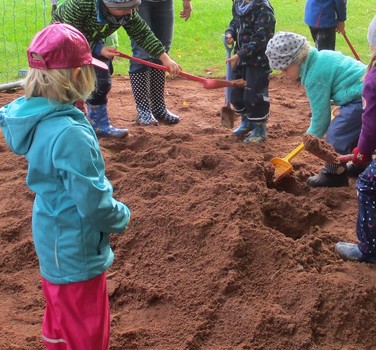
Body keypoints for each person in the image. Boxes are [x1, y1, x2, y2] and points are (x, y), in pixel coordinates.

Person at [0, 23, 131, 348]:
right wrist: (121, 216)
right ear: (77, 78)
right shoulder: (71, 134)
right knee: (87, 330)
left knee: (60, 318)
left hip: (50, 237)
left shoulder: (36, 120)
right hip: (77, 247)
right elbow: (93, 202)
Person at [52, 0, 181, 138]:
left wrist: (165, 59)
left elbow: (143, 34)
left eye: (132, 8)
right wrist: (98, 49)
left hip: (93, 40)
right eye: (124, 9)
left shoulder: (127, 13)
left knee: (102, 82)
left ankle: (99, 126)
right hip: (63, 41)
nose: (130, 13)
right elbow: (70, 34)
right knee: (68, 83)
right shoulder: (81, 4)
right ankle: (61, 125)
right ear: (109, 5)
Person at [265, 31, 366, 187]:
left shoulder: (314, 76)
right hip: (365, 93)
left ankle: (334, 174)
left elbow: (321, 118)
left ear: (297, 60)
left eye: (285, 69)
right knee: (354, 131)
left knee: (337, 135)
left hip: (361, 99)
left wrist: (310, 139)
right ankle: (361, 165)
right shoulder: (321, 57)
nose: (284, 75)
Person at [334, 16, 376, 264]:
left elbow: (371, 126)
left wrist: (361, 153)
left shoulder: (372, 79)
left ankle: (369, 249)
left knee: (368, 183)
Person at [129, 0, 192, 126]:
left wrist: (187, 2)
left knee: (163, 50)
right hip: (140, 2)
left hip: (164, 2)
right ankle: (143, 110)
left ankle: (158, 108)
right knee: (142, 52)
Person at [225, 0, 276, 143]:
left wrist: (240, 54)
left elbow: (260, 39)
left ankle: (259, 129)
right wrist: (230, 33)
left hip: (257, 62)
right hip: (240, 59)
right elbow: (235, 22)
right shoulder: (239, 4)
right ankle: (246, 122)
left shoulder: (264, 10)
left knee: (254, 96)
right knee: (237, 93)